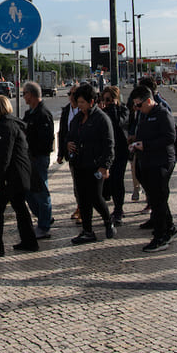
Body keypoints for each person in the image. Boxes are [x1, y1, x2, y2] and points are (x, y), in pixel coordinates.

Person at [0, 96, 39, 257]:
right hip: (20, 175)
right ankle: (29, 241)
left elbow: (3, 157)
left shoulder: (4, 127)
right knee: (20, 207)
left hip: (11, 178)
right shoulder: (13, 123)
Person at [129, 86, 177, 253]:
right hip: (146, 161)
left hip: (161, 162)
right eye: (135, 105)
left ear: (149, 101)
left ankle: (160, 236)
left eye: (139, 105)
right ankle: (170, 227)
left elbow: (170, 137)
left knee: (158, 199)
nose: (137, 108)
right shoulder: (144, 114)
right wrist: (136, 145)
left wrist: (147, 145)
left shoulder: (163, 114)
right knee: (157, 198)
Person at [65, 84, 115, 244]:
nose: (79, 106)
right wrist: (68, 145)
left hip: (95, 165)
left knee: (95, 197)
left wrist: (104, 165)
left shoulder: (101, 119)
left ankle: (108, 221)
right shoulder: (78, 119)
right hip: (79, 164)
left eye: (82, 102)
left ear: (91, 102)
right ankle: (87, 231)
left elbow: (109, 145)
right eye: (77, 102)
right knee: (83, 199)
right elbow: (70, 136)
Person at [22, 81, 55, 239]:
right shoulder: (30, 113)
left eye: (24, 94)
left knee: (42, 192)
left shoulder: (43, 114)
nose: (23, 97)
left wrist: (35, 153)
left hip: (39, 159)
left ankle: (44, 225)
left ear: (31, 94)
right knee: (28, 192)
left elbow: (47, 140)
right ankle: (45, 216)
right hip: (29, 159)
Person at [100, 85, 129, 224]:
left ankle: (119, 210)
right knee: (107, 182)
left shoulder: (123, 110)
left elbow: (118, 123)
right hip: (107, 153)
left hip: (120, 151)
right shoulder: (102, 112)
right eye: (104, 99)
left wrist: (113, 107)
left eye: (109, 99)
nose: (106, 102)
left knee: (118, 181)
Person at [57, 85, 81, 222]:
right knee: (76, 182)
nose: (72, 96)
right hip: (70, 152)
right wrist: (61, 152)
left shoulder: (84, 110)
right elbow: (62, 132)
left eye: (75, 94)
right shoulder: (66, 110)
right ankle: (80, 207)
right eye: (70, 94)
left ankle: (83, 208)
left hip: (83, 152)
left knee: (83, 183)